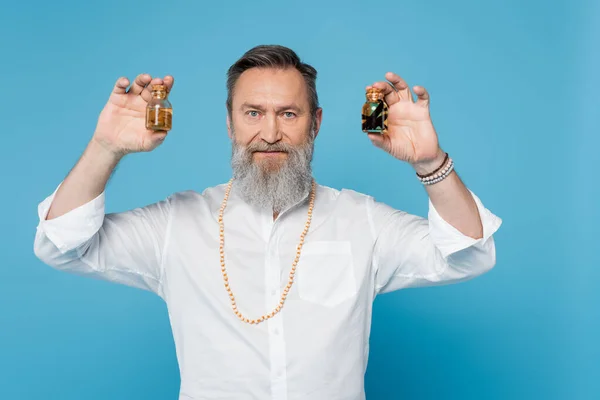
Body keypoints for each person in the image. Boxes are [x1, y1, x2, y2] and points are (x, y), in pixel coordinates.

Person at [33, 44, 502, 399]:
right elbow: (61, 245)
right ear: (230, 122)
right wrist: (106, 148)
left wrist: (429, 161)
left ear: (315, 123)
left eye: (289, 114)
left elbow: (467, 254)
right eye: (253, 113)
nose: (271, 132)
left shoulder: (362, 221)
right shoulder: (177, 223)